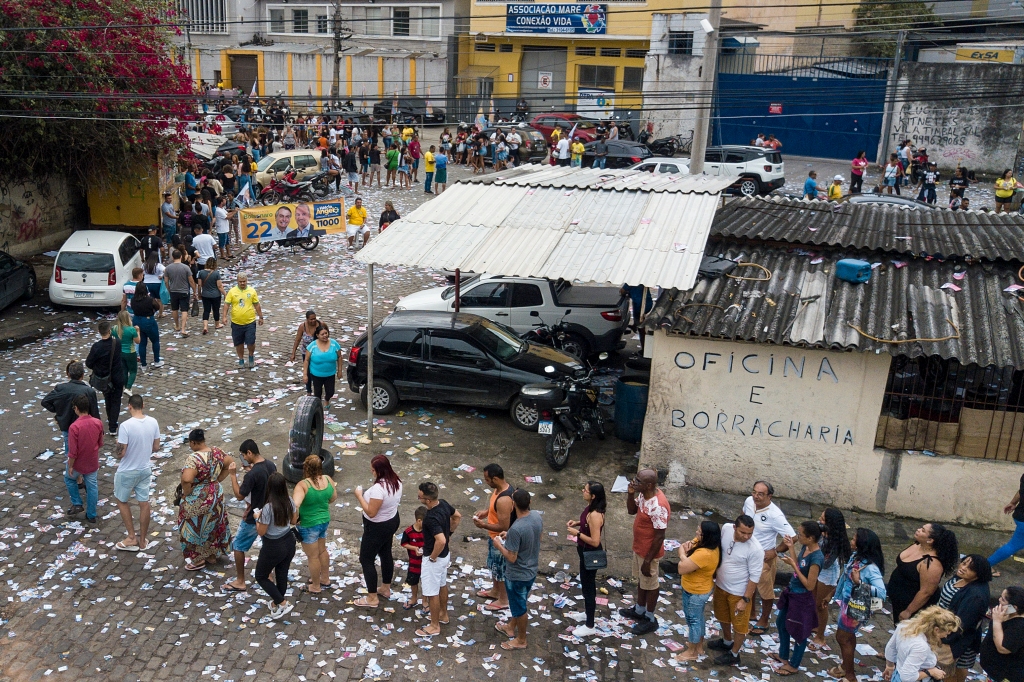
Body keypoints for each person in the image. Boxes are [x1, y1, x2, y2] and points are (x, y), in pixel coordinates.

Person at [831, 528, 888, 682]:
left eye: (855, 539)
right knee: (848, 637)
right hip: (847, 604)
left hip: (855, 608)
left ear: (862, 544)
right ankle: (845, 666)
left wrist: (859, 583)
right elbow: (844, 578)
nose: (851, 540)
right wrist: (834, 595)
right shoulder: (855, 558)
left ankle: (850, 676)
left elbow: (882, 593)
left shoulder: (870, 568)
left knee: (842, 638)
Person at [708, 515, 764, 666]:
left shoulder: (756, 549)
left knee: (740, 625)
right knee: (722, 616)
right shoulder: (726, 529)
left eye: (749, 533)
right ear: (734, 527)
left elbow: (754, 577)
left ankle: (734, 653)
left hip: (739, 592)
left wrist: (745, 599)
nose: (746, 536)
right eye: (742, 532)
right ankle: (727, 641)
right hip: (721, 585)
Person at [619, 469, 670, 635]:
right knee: (642, 581)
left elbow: (660, 536)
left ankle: (649, 618)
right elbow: (631, 511)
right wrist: (630, 494)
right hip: (640, 548)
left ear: (649, 485)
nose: (634, 482)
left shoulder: (658, 506)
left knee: (651, 584)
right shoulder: (643, 495)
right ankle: (639, 610)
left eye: (638, 481)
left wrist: (648, 561)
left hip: (650, 553)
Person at [222, 439, 276, 592]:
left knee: (238, 545)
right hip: (270, 513)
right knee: (268, 543)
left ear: (250, 453)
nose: (243, 459)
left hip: (255, 516)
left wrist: (232, 475)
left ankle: (240, 581)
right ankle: (270, 576)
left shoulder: (252, 475)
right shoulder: (271, 465)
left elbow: (239, 495)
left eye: (244, 455)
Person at [743, 480, 796, 634]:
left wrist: (775, 552)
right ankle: (751, 613)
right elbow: (743, 516)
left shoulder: (775, 515)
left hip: (764, 557)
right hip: (747, 552)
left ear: (769, 496)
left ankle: (764, 620)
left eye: (760, 494)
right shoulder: (748, 501)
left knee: (765, 590)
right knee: (748, 584)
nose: (756, 496)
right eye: (754, 492)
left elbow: (792, 537)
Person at [772, 520, 824, 675]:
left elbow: (809, 585)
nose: (798, 536)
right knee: (781, 622)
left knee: (800, 631)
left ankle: (794, 664)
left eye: (800, 534)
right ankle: (783, 655)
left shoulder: (816, 558)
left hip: (802, 598)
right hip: (792, 592)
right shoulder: (805, 547)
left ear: (811, 538)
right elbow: (798, 563)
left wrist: (793, 566)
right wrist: (790, 547)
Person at [493, 489, 542, 651]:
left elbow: (512, 557)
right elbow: (532, 536)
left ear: (513, 504)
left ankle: (521, 640)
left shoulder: (517, 528)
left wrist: (499, 544)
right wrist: (510, 536)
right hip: (531, 569)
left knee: (520, 608)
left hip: (517, 575)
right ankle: (510, 627)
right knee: (518, 603)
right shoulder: (536, 516)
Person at [177, 428, 231, 571]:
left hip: (200, 497)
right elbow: (230, 464)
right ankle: (212, 555)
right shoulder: (217, 452)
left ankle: (198, 559)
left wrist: (186, 493)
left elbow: (187, 479)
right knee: (213, 523)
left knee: (190, 524)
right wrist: (217, 480)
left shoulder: (194, 459)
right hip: (216, 494)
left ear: (193, 442)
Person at [353, 455, 403, 607]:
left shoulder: (378, 489)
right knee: (385, 552)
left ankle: (372, 598)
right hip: (391, 521)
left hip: (377, 527)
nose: (371, 472)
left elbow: (371, 512)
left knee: (366, 559)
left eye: (373, 470)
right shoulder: (397, 481)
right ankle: (386, 588)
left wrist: (359, 496)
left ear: (379, 471)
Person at [111, 394, 159, 550]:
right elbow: (156, 447)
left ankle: (132, 537)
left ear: (129, 406)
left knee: (121, 500)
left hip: (127, 470)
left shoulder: (125, 426)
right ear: (143, 405)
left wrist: (117, 445)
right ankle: (143, 540)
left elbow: (121, 454)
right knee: (144, 503)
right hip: (145, 468)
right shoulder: (153, 422)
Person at [888, 522, 959, 625]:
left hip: (912, 605)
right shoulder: (917, 544)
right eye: (921, 527)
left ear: (930, 540)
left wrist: (908, 611)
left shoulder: (932, 564)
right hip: (898, 599)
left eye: (923, 530)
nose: (918, 529)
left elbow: (926, 592)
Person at [415, 481, 461, 637]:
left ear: (427, 500)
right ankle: (443, 614)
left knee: (431, 592)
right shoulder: (444, 504)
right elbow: (457, 517)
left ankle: (434, 625)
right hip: (445, 555)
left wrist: (433, 557)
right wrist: (450, 534)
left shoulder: (430, 518)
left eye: (420, 495)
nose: (418, 496)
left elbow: (440, 541)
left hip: (434, 557)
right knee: (442, 584)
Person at [937, 555, 992, 682]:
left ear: (978, 574)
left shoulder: (976, 596)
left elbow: (962, 623)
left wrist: (944, 638)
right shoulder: (961, 577)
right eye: (964, 563)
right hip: (943, 628)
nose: (963, 568)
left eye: (970, 568)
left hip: (957, 639)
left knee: (950, 672)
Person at [565, 481, 607, 637]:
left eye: (586, 490)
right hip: (583, 551)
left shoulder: (596, 515)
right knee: (585, 585)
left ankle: (590, 626)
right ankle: (587, 615)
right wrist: (577, 523)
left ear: (593, 495)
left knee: (589, 588)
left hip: (591, 554)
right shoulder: (590, 508)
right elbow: (587, 524)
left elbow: (595, 541)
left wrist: (577, 533)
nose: (583, 491)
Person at [675, 520, 721, 661]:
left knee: (693, 620)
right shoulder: (710, 545)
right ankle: (698, 645)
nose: (696, 533)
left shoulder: (704, 553)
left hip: (695, 591)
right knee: (699, 618)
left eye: (699, 532)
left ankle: (692, 652)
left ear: (706, 536)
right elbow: (691, 542)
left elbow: (681, 568)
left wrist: (682, 554)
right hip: (701, 589)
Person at [473, 463, 516, 613]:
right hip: (493, 537)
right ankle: (495, 591)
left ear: (495, 478)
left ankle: (503, 600)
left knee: (501, 570)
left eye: (487, 479)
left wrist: (484, 526)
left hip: (501, 539)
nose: (486, 482)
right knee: (494, 567)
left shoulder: (504, 499)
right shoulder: (498, 490)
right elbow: (494, 509)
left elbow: (504, 526)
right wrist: (486, 513)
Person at [255, 472, 297, 619]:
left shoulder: (267, 508)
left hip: (273, 545)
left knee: (260, 575)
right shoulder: (290, 501)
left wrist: (257, 519)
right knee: (282, 573)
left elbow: (261, 531)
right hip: (289, 541)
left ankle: (282, 603)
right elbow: (294, 520)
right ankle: (276, 604)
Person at [293, 454, 337, 596]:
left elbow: (295, 505)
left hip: (308, 523)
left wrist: (294, 520)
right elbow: (332, 498)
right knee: (322, 551)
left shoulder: (303, 485)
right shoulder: (328, 480)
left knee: (312, 556)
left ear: (305, 467)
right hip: (324, 520)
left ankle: (316, 586)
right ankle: (325, 578)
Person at [883, 606, 960, 682]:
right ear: (936, 630)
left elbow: (890, 648)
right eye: (946, 633)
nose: (946, 636)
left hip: (897, 675)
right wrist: (931, 672)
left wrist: (890, 667)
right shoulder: (921, 647)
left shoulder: (905, 626)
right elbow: (907, 677)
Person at [812, 508, 851, 647]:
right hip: (816, 567)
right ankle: (815, 625)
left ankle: (820, 636)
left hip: (827, 572)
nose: (819, 521)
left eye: (822, 519)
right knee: (813, 598)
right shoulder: (820, 530)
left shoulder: (834, 541)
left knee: (821, 604)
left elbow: (827, 562)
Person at [42, 361, 100, 455]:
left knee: (70, 454)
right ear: (82, 375)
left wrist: (58, 411)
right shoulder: (89, 391)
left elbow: (45, 401)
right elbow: (94, 411)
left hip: (66, 425)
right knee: (85, 452)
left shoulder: (61, 388)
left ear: (69, 374)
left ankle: (70, 468)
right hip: (84, 426)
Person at [64, 394, 103, 523]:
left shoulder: (74, 427)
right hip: (91, 461)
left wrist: (70, 465)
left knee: (69, 479)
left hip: (78, 463)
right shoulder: (98, 423)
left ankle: (77, 502)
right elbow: (100, 443)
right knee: (92, 487)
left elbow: (73, 452)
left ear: (75, 408)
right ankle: (91, 514)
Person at [86, 320, 126, 435]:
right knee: (116, 401)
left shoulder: (97, 347)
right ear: (110, 331)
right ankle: (113, 425)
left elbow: (89, 363)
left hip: (104, 378)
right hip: (117, 376)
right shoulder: (117, 343)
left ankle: (110, 420)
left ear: (99, 332)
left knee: (108, 399)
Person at [980, 586, 1024, 682]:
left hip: (1006, 675)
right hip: (992, 670)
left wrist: (996, 621)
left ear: (1014, 607)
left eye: (1003, 600)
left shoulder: (1020, 627)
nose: (999, 600)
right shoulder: (1007, 612)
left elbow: (1003, 648)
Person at [222, 272, 264, 370]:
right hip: (236, 323)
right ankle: (241, 359)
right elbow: (226, 305)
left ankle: (250, 356)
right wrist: (224, 316)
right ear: (237, 281)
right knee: (239, 343)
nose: (242, 283)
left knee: (251, 342)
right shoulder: (232, 292)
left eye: (244, 281)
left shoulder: (252, 291)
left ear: (246, 281)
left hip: (250, 322)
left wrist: (260, 316)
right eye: (240, 282)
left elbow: (257, 304)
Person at [991, 469, 1024, 569]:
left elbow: (1021, 491)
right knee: (1013, 546)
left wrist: (1013, 502)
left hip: (1020, 515)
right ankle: (984, 567)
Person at [129, 280, 162, 369]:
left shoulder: (133, 300)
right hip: (148, 320)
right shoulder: (149, 299)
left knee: (142, 343)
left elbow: (132, 307)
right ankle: (157, 361)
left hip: (136, 320)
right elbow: (157, 306)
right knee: (155, 341)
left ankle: (143, 364)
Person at [163, 250, 196, 337]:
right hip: (184, 291)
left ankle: (177, 325)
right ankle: (183, 328)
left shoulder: (168, 268)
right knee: (184, 309)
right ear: (181, 256)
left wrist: (168, 288)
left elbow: (166, 281)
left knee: (174, 309)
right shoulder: (186, 267)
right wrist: (194, 290)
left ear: (172, 257)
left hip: (173, 291)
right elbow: (191, 280)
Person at [401, 506, 428, 611]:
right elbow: (403, 543)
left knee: (425, 582)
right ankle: (414, 598)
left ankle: (425, 600)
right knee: (413, 581)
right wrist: (414, 548)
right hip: (414, 562)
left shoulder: (427, 531)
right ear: (419, 520)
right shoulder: (408, 531)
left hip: (425, 562)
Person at [290, 309, 322, 394]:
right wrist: (293, 353)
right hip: (306, 353)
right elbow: (297, 340)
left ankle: (317, 389)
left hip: (318, 353)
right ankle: (308, 391)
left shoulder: (321, 325)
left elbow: (326, 335)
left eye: (314, 318)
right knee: (307, 372)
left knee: (316, 372)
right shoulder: (302, 327)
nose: (313, 321)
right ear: (307, 319)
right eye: (311, 319)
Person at [111, 311, 138, 395]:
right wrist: (138, 331)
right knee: (133, 371)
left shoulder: (115, 328)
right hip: (130, 352)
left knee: (124, 371)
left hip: (120, 353)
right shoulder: (131, 329)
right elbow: (138, 341)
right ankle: (128, 387)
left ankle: (126, 387)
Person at [197, 257, 225, 335]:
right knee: (216, 310)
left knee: (206, 310)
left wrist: (199, 293)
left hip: (205, 295)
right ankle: (217, 324)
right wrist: (225, 293)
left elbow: (199, 285)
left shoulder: (201, 273)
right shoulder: (216, 273)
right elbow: (219, 286)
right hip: (216, 295)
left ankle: (205, 326)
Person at [142, 253, 165, 317]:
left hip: (146, 283)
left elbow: (142, 272)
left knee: (149, 300)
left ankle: (150, 313)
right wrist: (162, 275)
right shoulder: (159, 265)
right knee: (159, 300)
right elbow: (166, 270)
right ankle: (160, 314)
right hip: (157, 283)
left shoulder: (144, 265)